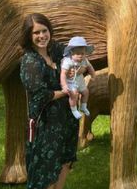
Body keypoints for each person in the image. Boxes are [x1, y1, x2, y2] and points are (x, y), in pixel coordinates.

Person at [19, 13, 79, 189]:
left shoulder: (58, 50)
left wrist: (78, 73)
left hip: (67, 118)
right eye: (36, 33)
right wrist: (65, 91)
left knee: (65, 160)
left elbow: (76, 61)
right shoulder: (30, 60)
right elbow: (40, 95)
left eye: (44, 31)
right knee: (45, 169)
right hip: (46, 123)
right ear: (29, 36)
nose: (41, 36)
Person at [60, 36, 96, 119]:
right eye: (77, 53)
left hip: (80, 80)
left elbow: (90, 67)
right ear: (71, 53)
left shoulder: (84, 60)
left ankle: (83, 106)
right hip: (71, 81)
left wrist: (93, 75)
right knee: (74, 94)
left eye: (82, 53)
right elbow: (63, 74)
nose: (80, 56)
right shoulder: (68, 61)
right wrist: (64, 85)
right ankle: (74, 109)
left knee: (86, 92)